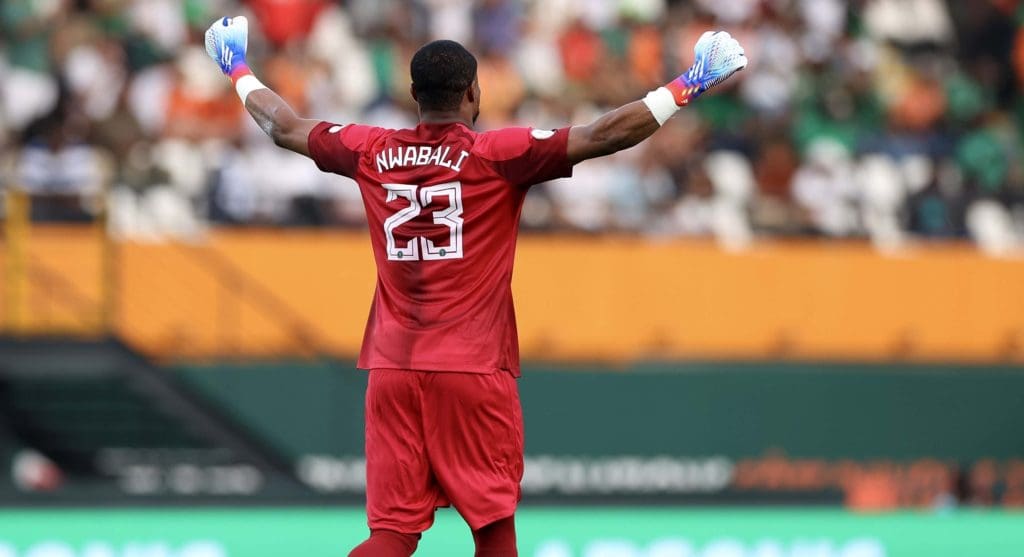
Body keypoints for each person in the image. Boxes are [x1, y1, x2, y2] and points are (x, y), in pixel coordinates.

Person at [204, 15, 746, 557]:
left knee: (392, 534)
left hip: (391, 368)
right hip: (472, 367)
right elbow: (604, 135)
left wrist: (237, 68)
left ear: (414, 94)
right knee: (492, 527)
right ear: (474, 92)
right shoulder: (497, 155)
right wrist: (689, 83)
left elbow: (284, 126)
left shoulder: (370, 149)